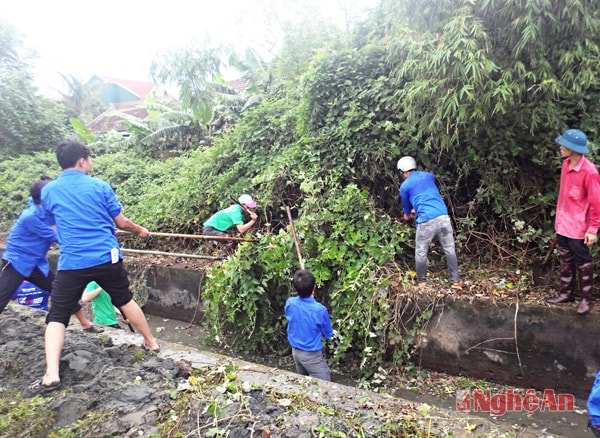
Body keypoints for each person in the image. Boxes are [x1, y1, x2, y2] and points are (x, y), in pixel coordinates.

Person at [31, 140, 160, 392]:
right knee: (124, 299)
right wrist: (141, 230)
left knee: (57, 315)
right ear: (82, 160)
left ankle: (51, 373)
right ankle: (151, 342)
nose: (90, 162)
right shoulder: (99, 186)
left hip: (72, 261)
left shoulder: (48, 191)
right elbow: (122, 222)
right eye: (89, 158)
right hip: (105, 257)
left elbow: (55, 225)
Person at [0, 180, 103, 333]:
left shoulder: (46, 211)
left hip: (36, 263)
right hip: (17, 261)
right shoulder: (30, 217)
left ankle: (85, 323)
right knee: (3, 295)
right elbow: (58, 237)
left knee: (60, 290)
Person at [547, 129, 600, 315]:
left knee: (583, 262)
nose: (560, 147)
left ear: (573, 148)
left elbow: (596, 202)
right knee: (565, 259)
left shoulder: (590, 172)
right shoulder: (565, 165)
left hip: (579, 227)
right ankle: (566, 293)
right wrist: (559, 221)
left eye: (563, 145)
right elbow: (564, 195)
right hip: (563, 223)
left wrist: (593, 228)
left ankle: (586, 299)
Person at [397, 156, 462, 289]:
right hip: (443, 216)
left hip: (426, 220)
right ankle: (456, 281)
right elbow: (426, 193)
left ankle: (422, 283)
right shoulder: (429, 176)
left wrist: (408, 215)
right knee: (449, 249)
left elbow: (407, 214)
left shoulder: (404, 187)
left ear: (404, 171)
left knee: (421, 252)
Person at [285, 269, 333, 381]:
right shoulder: (320, 310)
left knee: (303, 382)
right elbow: (328, 334)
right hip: (311, 355)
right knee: (327, 386)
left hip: (296, 352)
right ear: (314, 287)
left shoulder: (290, 303)